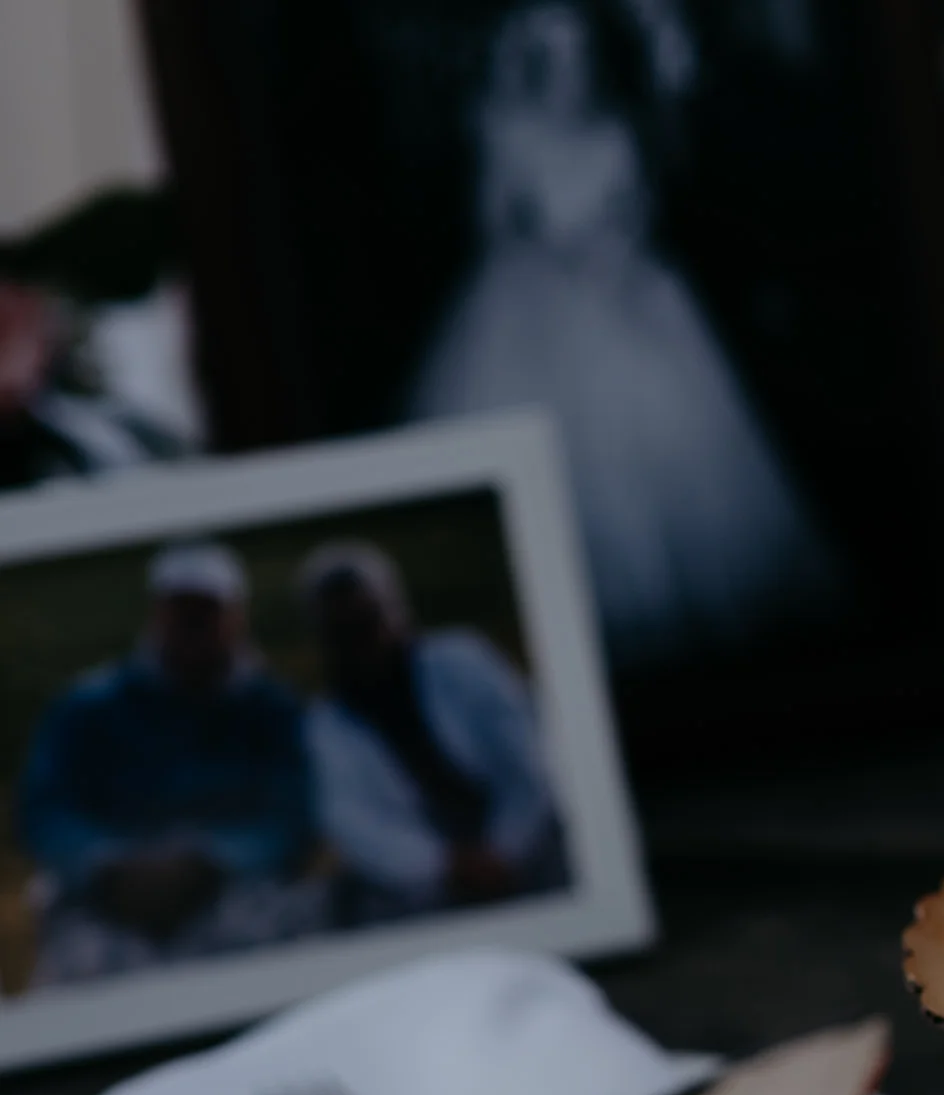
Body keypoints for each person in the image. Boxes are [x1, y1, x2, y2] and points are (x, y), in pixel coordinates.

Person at [405, 0, 838, 671]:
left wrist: (615, 255)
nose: (569, 70)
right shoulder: (507, 128)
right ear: (531, 60)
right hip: (538, 301)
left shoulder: (617, 131)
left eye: (579, 54)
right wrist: (559, 257)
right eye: (553, 55)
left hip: (625, 286)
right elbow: (493, 226)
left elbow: (638, 215)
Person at [16, 542, 320, 984]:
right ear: (157, 614)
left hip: (235, 892)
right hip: (109, 899)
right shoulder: (88, 708)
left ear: (237, 616)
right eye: (182, 611)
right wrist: (104, 864)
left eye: (207, 611)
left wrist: (211, 861)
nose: (194, 625)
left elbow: (292, 816)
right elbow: (44, 810)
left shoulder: (273, 711)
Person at [297, 540, 568, 923]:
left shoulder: (465, 661)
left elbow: (528, 755)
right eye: (342, 631)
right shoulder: (323, 726)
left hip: (532, 839)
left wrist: (504, 848)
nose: (360, 641)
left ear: (398, 611)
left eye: (367, 621)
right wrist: (445, 865)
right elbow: (353, 823)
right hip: (426, 886)